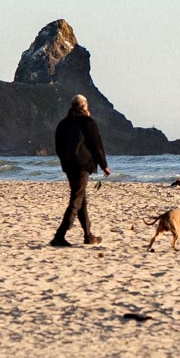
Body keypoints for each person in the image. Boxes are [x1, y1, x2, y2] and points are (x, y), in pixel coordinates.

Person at [50, 94, 110, 246]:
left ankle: (88, 235)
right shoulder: (87, 122)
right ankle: (59, 235)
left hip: (69, 166)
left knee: (81, 198)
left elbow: (58, 147)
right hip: (83, 165)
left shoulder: (62, 124)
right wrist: (104, 165)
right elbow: (97, 145)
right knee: (77, 199)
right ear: (83, 106)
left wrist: (64, 161)